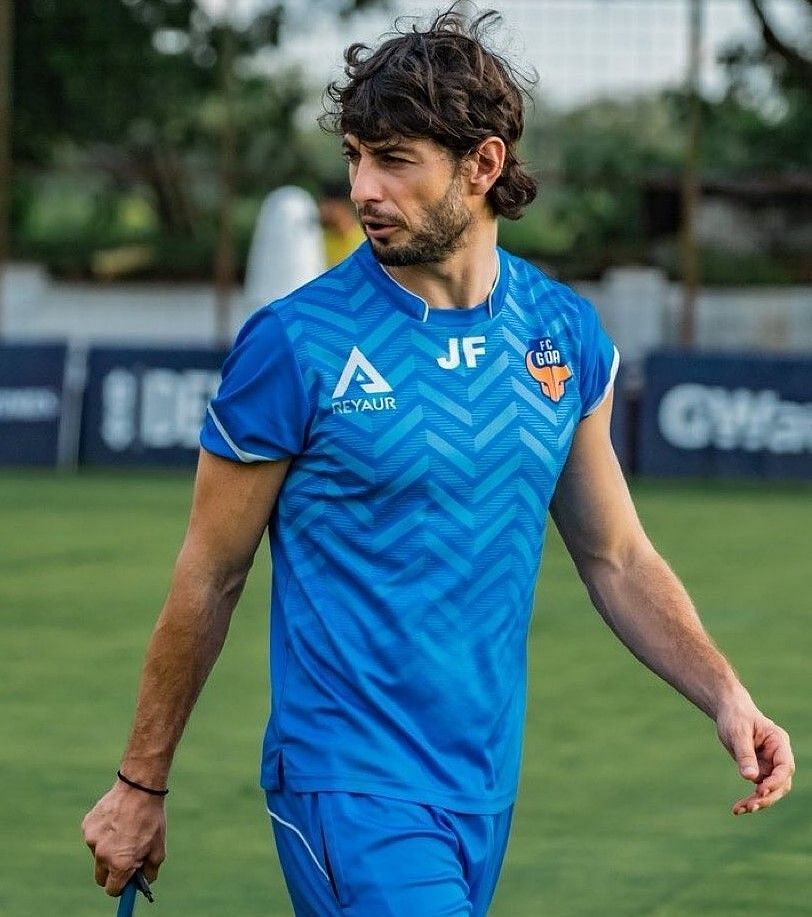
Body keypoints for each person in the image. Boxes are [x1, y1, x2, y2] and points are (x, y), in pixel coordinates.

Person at [82, 7, 794, 915]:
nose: (364, 188)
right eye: (355, 155)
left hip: (484, 784)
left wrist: (727, 694)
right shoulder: (294, 345)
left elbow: (616, 557)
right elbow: (209, 573)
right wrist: (140, 784)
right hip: (347, 781)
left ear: (483, 164)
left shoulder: (561, 334)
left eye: (395, 159)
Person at [319, 180, 366, 267]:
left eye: (327, 205)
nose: (322, 210)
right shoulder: (320, 241)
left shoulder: (367, 240)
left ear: (341, 207)